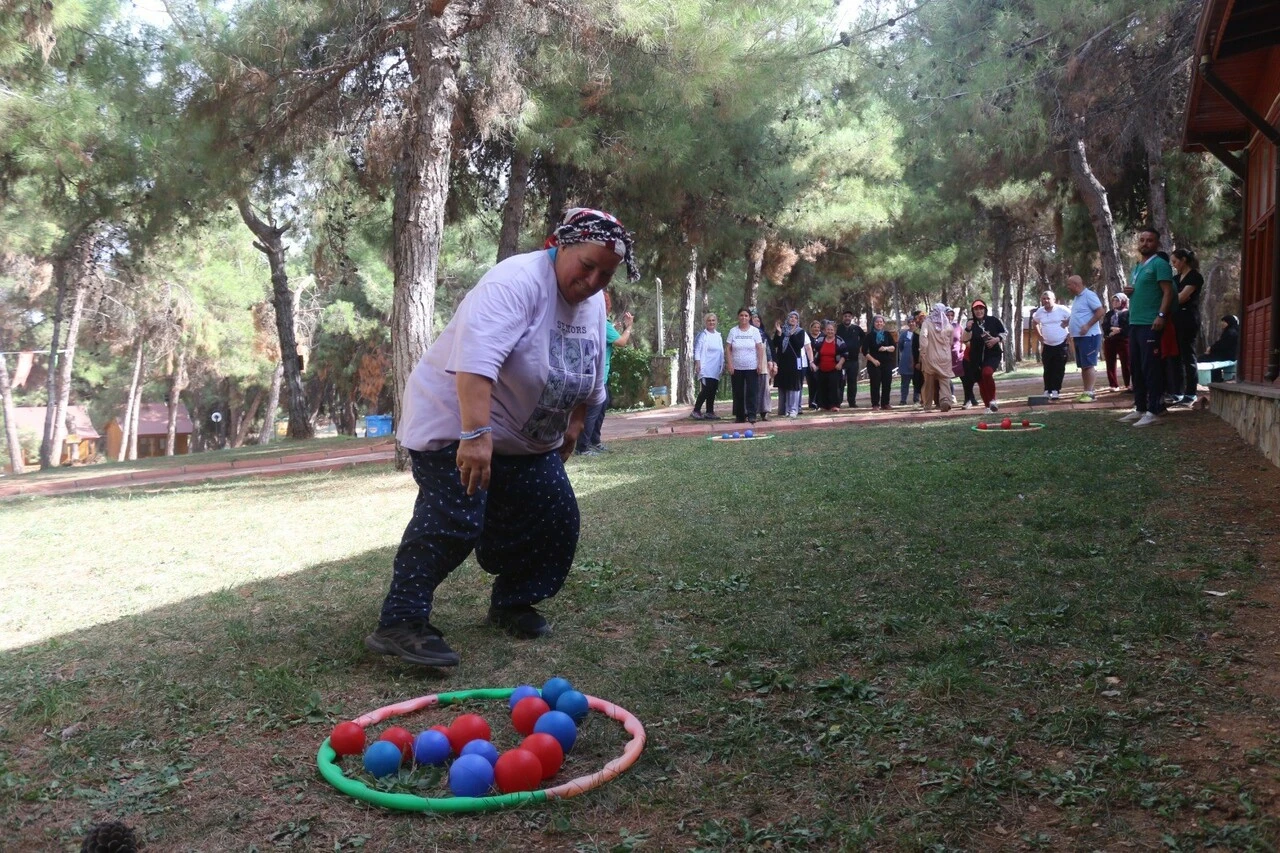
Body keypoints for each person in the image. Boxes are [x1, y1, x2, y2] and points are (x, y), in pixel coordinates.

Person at [366, 206, 640, 667]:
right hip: (454, 421)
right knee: (455, 518)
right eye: (587, 265)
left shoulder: (591, 304)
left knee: (555, 515)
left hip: (522, 438)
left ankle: (512, 601)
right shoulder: (514, 283)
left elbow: (590, 372)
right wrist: (474, 436)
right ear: (559, 245)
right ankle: (400, 621)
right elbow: (475, 362)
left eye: (605, 274)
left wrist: (573, 425)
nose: (593, 281)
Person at [1118, 226, 1175, 427]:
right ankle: (1140, 407)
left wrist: (1161, 315)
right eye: (1142, 240)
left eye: (1149, 240)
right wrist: (1130, 291)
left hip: (1151, 323)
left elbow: (1168, 292)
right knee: (1136, 367)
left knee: (1151, 367)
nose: (1145, 244)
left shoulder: (1160, 264)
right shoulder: (1138, 266)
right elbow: (1142, 290)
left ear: (1156, 243)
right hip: (1135, 322)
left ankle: (1155, 410)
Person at [577, 292, 632, 454]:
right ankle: (583, 447)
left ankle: (594, 441)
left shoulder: (593, 320)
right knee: (594, 411)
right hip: (599, 374)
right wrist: (628, 327)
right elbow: (621, 342)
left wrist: (615, 327)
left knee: (600, 407)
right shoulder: (603, 323)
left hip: (593, 372)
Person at [1170, 248, 1203, 405]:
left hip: (1188, 318)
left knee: (1188, 354)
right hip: (1175, 318)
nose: (1174, 265)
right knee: (1175, 356)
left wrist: (1168, 301)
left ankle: (1191, 393)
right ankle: (1177, 391)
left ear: (1183, 260)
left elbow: (1182, 297)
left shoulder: (1195, 276)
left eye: (1175, 261)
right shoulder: (1175, 279)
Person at [961, 299, 1006, 414]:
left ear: (985, 309)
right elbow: (964, 339)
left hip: (992, 355)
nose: (979, 311)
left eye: (981, 308)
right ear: (973, 311)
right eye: (976, 309)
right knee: (981, 381)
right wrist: (967, 329)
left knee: (987, 373)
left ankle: (993, 400)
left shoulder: (993, 320)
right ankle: (987, 407)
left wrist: (997, 339)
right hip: (975, 358)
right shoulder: (970, 324)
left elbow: (1004, 332)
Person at [1066, 274, 1104, 402]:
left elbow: (1100, 311)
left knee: (1088, 365)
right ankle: (1087, 391)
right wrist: (1068, 321)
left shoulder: (1089, 295)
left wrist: (1087, 325)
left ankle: (1090, 393)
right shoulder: (1077, 298)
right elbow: (1080, 314)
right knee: (1083, 365)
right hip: (1078, 337)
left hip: (1089, 336)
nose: (1068, 287)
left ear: (1076, 284)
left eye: (1069, 285)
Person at [725, 307, 765, 423]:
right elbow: (728, 348)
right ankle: (740, 415)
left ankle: (752, 414)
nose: (744, 317)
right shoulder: (733, 331)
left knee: (752, 392)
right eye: (741, 315)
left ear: (750, 318)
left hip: (752, 366)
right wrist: (730, 364)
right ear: (738, 317)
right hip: (736, 367)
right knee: (738, 392)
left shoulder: (754, 331)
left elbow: (760, 347)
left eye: (746, 316)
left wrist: (759, 363)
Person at [1031, 290, 1071, 399]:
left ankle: (1056, 390)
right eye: (1044, 299)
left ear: (1054, 299)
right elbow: (1035, 322)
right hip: (1047, 345)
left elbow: (1074, 319)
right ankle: (1047, 390)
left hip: (1061, 343)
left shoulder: (1062, 309)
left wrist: (1070, 334)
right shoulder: (1040, 312)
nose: (1046, 301)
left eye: (1048, 298)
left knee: (1059, 368)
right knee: (1048, 368)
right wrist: (1039, 336)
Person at [772, 311, 812, 418]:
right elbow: (776, 344)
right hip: (782, 362)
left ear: (798, 320)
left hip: (794, 362)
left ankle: (793, 409)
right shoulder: (782, 330)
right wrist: (779, 333)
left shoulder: (800, 331)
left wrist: (791, 335)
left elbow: (799, 345)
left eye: (795, 318)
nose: (793, 319)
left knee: (793, 386)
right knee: (783, 385)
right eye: (791, 317)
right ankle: (783, 410)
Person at [919, 303, 953, 412]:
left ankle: (928, 405)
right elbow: (951, 342)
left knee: (928, 382)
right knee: (945, 380)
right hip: (945, 358)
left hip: (930, 357)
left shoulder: (927, 323)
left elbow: (923, 339)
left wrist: (923, 353)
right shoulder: (948, 325)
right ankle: (945, 400)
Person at [691, 313, 723, 420]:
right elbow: (697, 350)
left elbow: (721, 352)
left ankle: (710, 412)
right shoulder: (703, 335)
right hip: (705, 367)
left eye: (713, 320)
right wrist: (698, 362)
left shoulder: (718, 335)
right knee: (706, 389)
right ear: (706, 322)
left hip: (715, 367)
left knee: (713, 390)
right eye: (709, 320)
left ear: (716, 322)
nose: (711, 322)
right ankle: (696, 410)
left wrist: (722, 365)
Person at [812, 320, 848, 410]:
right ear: (825, 330)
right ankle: (823, 406)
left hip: (834, 368)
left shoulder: (839, 341)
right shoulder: (820, 340)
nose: (830, 331)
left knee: (834, 388)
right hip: (822, 368)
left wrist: (840, 363)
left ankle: (834, 405)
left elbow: (845, 353)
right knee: (822, 387)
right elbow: (816, 352)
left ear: (835, 331)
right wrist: (815, 364)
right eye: (828, 329)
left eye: (832, 330)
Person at [863, 314, 896, 410]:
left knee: (887, 383)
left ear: (883, 323)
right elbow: (865, 351)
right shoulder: (869, 336)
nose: (879, 323)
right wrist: (873, 361)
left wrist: (885, 348)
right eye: (877, 322)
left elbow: (893, 347)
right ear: (873, 323)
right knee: (875, 384)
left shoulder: (887, 334)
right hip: (874, 363)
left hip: (887, 363)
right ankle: (875, 404)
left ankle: (885, 403)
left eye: (881, 322)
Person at [1102, 293, 1131, 392]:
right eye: (1113, 301)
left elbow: (1129, 326)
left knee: (1126, 362)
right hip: (1110, 340)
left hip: (1123, 340)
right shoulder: (1109, 313)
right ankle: (1113, 384)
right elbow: (1104, 325)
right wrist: (1111, 329)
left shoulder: (1128, 313)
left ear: (1123, 301)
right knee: (1110, 362)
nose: (1114, 303)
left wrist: (1120, 330)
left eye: (1117, 300)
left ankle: (1128, 384)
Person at [837, 310, 865, 407]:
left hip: (853, 360)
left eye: (849, 316)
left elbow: (864, 337)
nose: (847, 318)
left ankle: (852, 402)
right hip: (841, 360)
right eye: (845, 316)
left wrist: (860, 345)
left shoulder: (856, 328)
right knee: (841, 382)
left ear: (851, 318)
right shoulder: (838, 328)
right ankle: (838, 402)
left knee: (852, 382)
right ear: (843, 318)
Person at [750, 312, 775, 420]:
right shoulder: (748, 333)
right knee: (752, 389)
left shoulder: (764, 335)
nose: (757, 321)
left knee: (764, 389)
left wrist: (770, 361)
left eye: (758, 319)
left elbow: (768, 348)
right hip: (751, 364)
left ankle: (764, 412)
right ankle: (751, 412)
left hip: (763, 364)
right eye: (754, 319)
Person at [1204, 314, 1239, 382]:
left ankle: (1214, 379)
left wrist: (1211, 349)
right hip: (1230, 355)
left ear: (1229, 322)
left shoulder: (1231, 332)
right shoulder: (1232, 330)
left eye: (1224, 321)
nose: (1222, 323)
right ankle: (1216, 379)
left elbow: (1222, 345)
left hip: (1229, 356)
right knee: (1211, 358)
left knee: (1203, 358)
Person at [896, 318, 917, 405]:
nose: (911, 323)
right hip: (905, 362)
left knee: (917, 382)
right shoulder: (903, 334)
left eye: (913, 322)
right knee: (904, 383)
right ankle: (903, 400)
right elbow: (900, 347)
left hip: (916, 362)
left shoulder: (919, 333)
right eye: (909, 322)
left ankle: (916, 399)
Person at [806, 319, 823, 409]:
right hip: (810, 364)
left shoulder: (823, 337)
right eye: (814, 327)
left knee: (820, 384)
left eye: (818, 327)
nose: (816, 329)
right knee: (812, 384)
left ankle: (819, 402)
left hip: (821, 364)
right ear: (811, 328)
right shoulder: (807, 337)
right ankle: (812, 402)